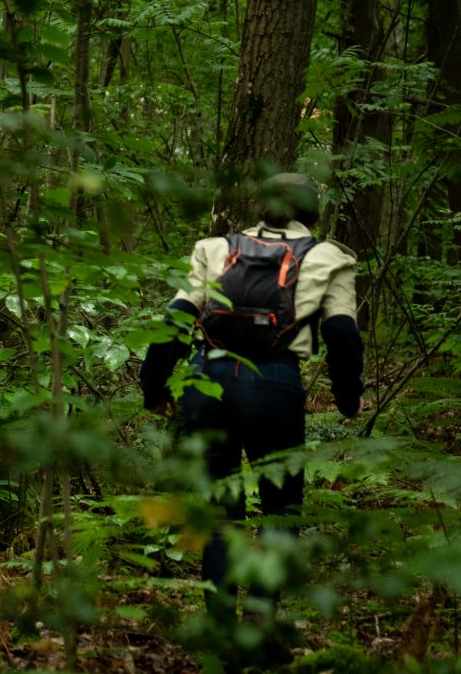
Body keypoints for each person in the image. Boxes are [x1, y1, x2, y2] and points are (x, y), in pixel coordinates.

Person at [140, 173, 364, 641]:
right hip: (276, 384)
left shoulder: (215, 248)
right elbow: (341, 332)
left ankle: (219, 626)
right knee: (282, 508)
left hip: (209, 381)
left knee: (220, 509)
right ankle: (260, 619)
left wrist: (154, 385)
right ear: (312, 209)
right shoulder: (329, 257)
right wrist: (347, 398)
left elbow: (177, 317)